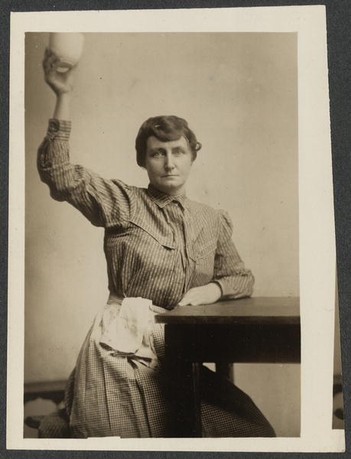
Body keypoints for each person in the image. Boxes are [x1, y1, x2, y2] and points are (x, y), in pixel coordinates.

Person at [37, 48, 275, 438]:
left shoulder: (210, 219)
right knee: (118, 436)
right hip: (118, 349)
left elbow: (241, 277)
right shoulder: (123, 202)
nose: (169, 162)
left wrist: (210, 290)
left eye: (177, 151)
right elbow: (60, 174)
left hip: (178, 348)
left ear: (192, 156)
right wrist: (63, 94)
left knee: (251, 430)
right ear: (143, 161)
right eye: (157, 153)